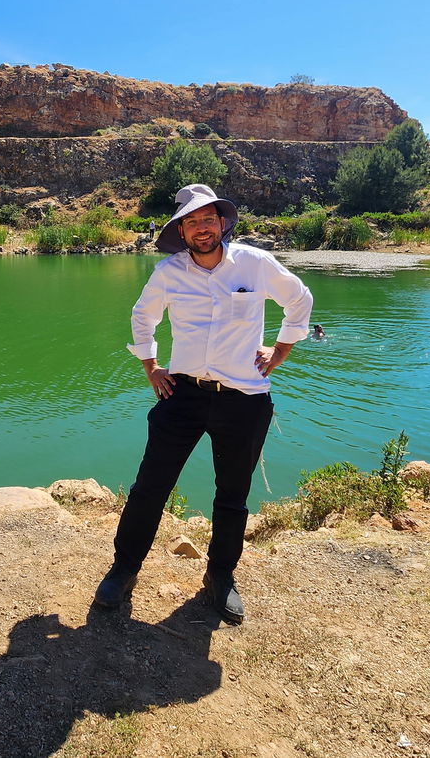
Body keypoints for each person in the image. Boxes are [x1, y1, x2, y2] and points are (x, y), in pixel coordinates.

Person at [94, 183, 313, 624]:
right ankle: (123, 571)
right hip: (182, 393)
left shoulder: (254, 263)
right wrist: (151, 367)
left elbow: (299, 300)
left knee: (232, 496)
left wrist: (280, 351)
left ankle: (220, 577)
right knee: (148, 489)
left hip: (245, 398)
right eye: (191, 221)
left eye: (207, 219)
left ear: (222, 222)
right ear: (181, 229)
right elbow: (143, 315)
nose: (201, 227)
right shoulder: (169, 272)